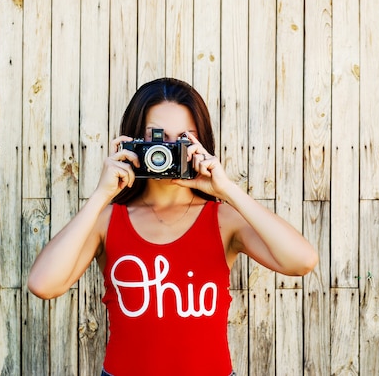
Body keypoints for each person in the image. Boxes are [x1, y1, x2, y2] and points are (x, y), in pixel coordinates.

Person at [28, 77, 319, 376]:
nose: (165, 150)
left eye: (182, 139)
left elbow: (302, 261)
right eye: (157, 137)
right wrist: (102, 194)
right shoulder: (107, 220)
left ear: (200, 144)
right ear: (134, 142)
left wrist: (227, 189)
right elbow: (43, 284)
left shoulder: (223, 219)